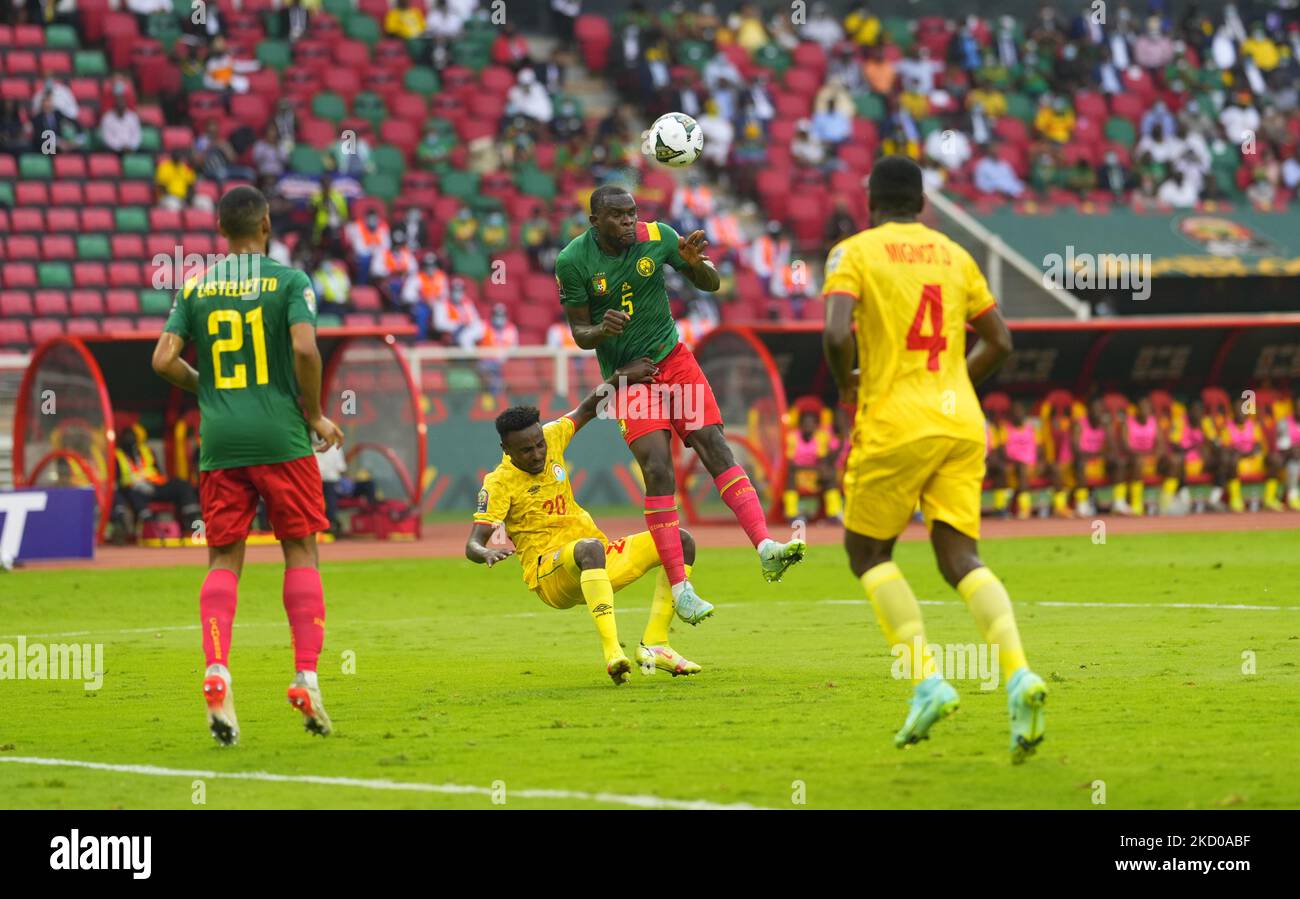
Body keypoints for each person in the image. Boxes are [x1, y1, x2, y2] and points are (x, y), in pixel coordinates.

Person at [821, 155, 1047, 762]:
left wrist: (848, 386)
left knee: (867, 553)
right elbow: (1000, 340)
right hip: (960, 421)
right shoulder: (956, 255)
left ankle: (926, 679)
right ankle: (1020, 674)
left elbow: (838, 334)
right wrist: (956, 383)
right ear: (922, 203)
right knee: (960, 557)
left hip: (895, 420)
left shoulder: (855, 252)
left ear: (872, 201)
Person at [555, 184, 807, 626]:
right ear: (595, 222)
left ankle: (766, 547)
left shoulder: (660, 237)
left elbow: (712, 283)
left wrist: (696, 266)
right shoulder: (573, 262)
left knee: (714, 445)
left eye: (632, 213)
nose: (630, 221)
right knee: (657, 467)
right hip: (629, 378)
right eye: (618, 216)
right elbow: (580, 334)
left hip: (673, 360)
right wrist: (602, 329)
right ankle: (681, 588)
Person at [151, 185, 345, 746]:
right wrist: (313, 414)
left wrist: (206, 386)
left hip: (221, 442)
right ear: (265, 224)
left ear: (220, 230)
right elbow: (306, 351)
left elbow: (163, 359)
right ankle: (305, 676)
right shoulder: (289, 282)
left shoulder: (197, 286)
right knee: (300, 550)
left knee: (223, 558)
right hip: (282, 436)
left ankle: (217, 669)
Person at [465, 360, 706, 684]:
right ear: (506, 449)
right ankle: (613, 654)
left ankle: (656, 644)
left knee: (680, 541)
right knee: (589, 548)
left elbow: (589, 407)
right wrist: (486, 553)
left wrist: (622, 377)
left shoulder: (553, 436)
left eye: (539, 445)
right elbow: (472, 544)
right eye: (526, 450)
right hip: (550, 574)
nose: (538, 454)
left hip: (595, 558)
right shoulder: (498, 483)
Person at [111, 424, 201, 541]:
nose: (130, 439)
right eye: (127, 436)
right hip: (135, 488)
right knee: (135, 496)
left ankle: (194, 524)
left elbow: (158, 472)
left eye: (132, 436)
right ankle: (151, 529)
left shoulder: (147, 451)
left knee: (182, 485)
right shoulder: (117, 455)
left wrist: (155, 483)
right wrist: (136, 484)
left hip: (155, 486)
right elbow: (118, 481)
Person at [98, 85, 140, 153]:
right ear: (115, 106)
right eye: (119, 106)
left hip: (131, 149)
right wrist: (120, 147)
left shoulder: (132, 117)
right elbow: (107, 138)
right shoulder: (107, 118)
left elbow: (136, 135)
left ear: (125, 106)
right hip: (113, 150)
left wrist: (131, 146)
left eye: (122, 107)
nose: (121, 108)